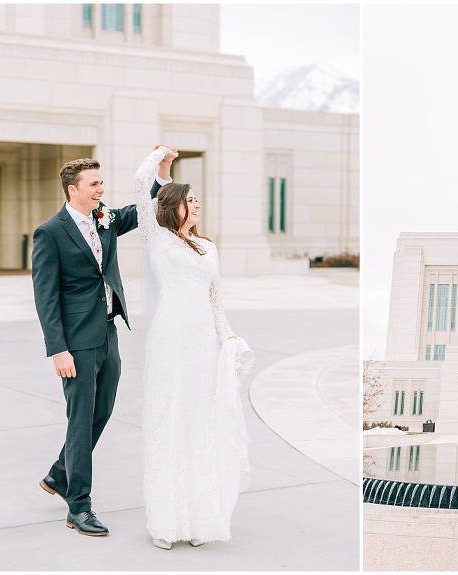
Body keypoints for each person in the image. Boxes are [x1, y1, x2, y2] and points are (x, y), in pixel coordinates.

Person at [32, 146, 176, 536]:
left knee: (102, 411)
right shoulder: (49, 233)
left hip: (108, 331)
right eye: (94, 184)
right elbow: (45, 297)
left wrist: (162, 173)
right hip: (75, 342)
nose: (100, 190)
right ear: (72, 190)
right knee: (79, 421)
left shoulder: (106, 218)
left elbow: (143, 209)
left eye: (101, 183)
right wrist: (57, 349)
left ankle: (60, 474)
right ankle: (78, 506)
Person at [133, 146, 254, 550]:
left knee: (199, 423)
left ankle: (198, 517)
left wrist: (229, 336)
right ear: (174, 207)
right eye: (190, 200)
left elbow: (215, 299)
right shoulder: (157, 239)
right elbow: (139, 185)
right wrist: (159, 160)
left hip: (203, 340)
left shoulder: (209, 247)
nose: (197, 204)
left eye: (196, 199)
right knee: (171, 419)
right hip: (171, 337)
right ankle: (166, 522)